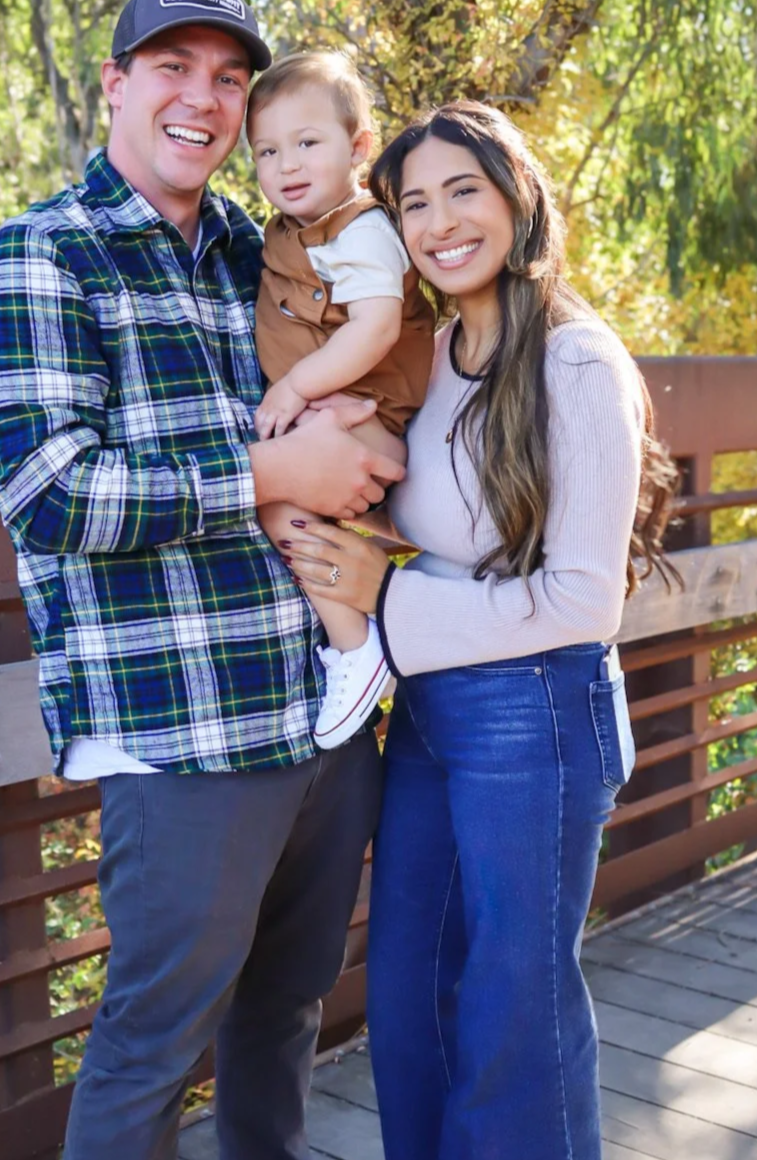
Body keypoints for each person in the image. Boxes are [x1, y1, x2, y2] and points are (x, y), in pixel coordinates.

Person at [0, 0, 400, 1160]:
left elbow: (385, 349)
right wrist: (272, 473)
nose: (202, 98)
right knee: (152, 1044)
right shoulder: (41, 256)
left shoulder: (261, 247)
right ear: (115, 84)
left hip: (320, 716)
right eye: (172, 67)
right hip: (182, 739)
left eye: (227, 77)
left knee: (286, 1014)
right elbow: (50, 492)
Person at [279, 101, 678, 1160]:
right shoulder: (433, 354)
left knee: (513, 1012)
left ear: (517, 198)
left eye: (465, 190)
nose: (440, 222)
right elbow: (421, 508)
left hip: (535, 707)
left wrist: (384, 595)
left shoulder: (575, 361)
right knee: (410, 994)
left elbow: (585, 601)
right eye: (414, 203)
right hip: (431, 706)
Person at [246, 51, 435, 748]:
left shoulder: (359, 229)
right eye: (267, 151)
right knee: (277, 499)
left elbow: (377, 326)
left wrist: (296, 386)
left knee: (273, 499)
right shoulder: (288, 232)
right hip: (338, 415)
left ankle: (356, 644)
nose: (286, 165)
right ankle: (362, 626)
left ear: (358, 147)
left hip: (367, 413)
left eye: (307, 143)